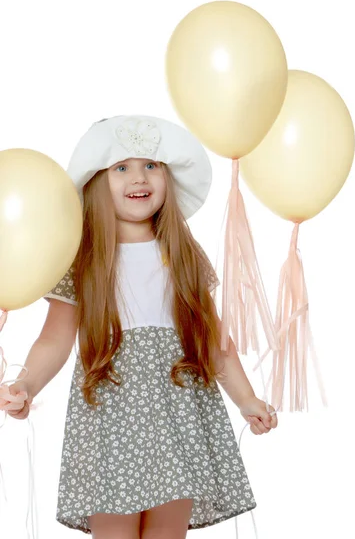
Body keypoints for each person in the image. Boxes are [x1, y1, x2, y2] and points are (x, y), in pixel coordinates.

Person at [4, 115, 277, 539]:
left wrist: (247, 399)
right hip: (111, 418)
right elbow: (55, 338)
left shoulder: (183, 253)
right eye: (121, 167)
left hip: (179, 415)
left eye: (151, 165)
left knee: (167, 533)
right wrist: (26, 384)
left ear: (168, 177)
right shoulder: (83, 258)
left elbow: (215, 343)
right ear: (97, 181)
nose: (139, 177)